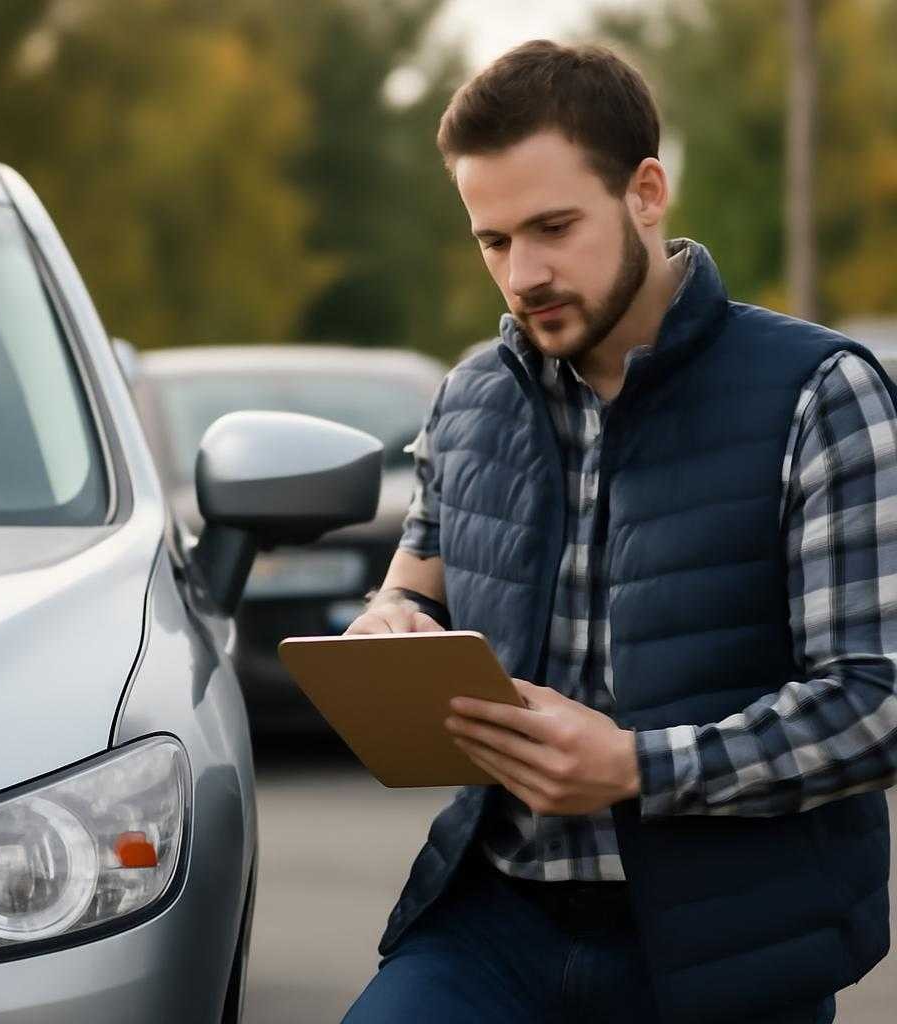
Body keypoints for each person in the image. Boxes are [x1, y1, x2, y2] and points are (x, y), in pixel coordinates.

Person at [341, 40, 897, 1024]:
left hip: (729, 948)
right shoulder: (469, 397)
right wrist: (389, 621)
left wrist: (638, 767)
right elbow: (411, 581)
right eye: (494, 240)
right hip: (493, 923)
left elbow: (875, 700)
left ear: (646, 191)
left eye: (554, 226)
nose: (525, 272)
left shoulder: (821, 393)